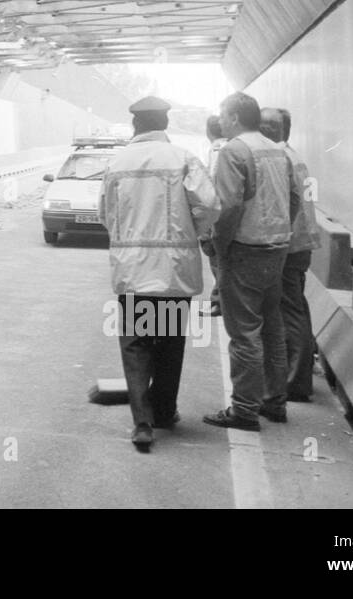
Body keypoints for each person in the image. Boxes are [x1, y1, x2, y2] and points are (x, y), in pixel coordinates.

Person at [100, 95, 219, 451]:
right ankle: (165, 412)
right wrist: (191, 230)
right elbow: (210, 205)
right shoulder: (182, 158)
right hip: (171, 271)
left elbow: (105, 214)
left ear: (136, 124)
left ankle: (142, 423)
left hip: (133, 271)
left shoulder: (117, 162)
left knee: (136, 346)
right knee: (168, 344)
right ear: (165, 124)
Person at [203, 92, 302, 431]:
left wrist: (219, 244)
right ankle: (275, 402)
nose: (221, 120)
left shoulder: (234, 151)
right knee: (272, 329)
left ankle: (243, 410)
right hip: (276, 249)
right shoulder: (277, 149)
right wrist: (281, 233)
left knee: (244, 333)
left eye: (223, 114)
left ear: (233, 117)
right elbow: (294, 198)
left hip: (244, 251)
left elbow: (228, 206)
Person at [260, 107, 320, 402]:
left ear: (284, 129)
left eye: (272, 124)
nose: (265, 128)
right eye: (262, 124)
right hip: (298, 243)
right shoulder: (290, 155)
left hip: (289, 245)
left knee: (290, 311)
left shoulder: (281, 157)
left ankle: (294, 381)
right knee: (296, 308)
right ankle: (298, 374)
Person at [203, 115, 228, 317]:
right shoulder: (232, 145)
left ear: (208, 132)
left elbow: (211, 184)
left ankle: (219, 302)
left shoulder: (216, 149)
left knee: (216, 260)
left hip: (219, 215)